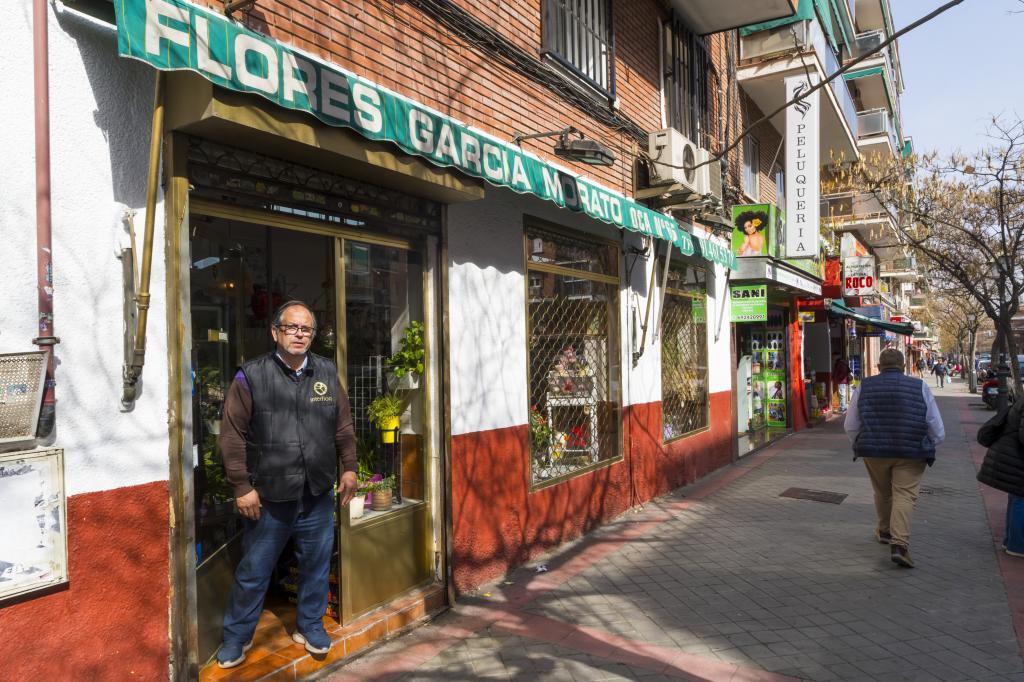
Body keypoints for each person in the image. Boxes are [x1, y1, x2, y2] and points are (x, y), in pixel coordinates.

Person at [215, 300, 359, 668]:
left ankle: (309, 626)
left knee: (315, 566)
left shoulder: (327, 372)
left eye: (306, 329)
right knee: (254, 570)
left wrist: (350, 467)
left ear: (313, 335)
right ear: (275, 332)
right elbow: (231, 435)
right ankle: (237, 637)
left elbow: (342, 426)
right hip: (269, 497)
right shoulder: (251, 376)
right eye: (291, 327)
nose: (299, 334)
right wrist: (241, 486)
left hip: (316, 492)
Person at [844, 348, 944, 568]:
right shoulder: (920, 386)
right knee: (904, 495)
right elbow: (936, 426)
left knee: (882, 492)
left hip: (874, 450)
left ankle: (885, 531)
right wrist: (930, 443)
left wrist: (859, 442)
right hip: (911, 452)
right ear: (904, 367)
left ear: (879, 367)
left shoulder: (864, 386)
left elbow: (851, 424)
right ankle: (899, 545)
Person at [977, 401, 1024, 558]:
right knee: (1020, 499)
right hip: (1016, 457)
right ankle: (1017, 545)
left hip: (1011, 455)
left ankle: (1010, 541)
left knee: (1016, 497)